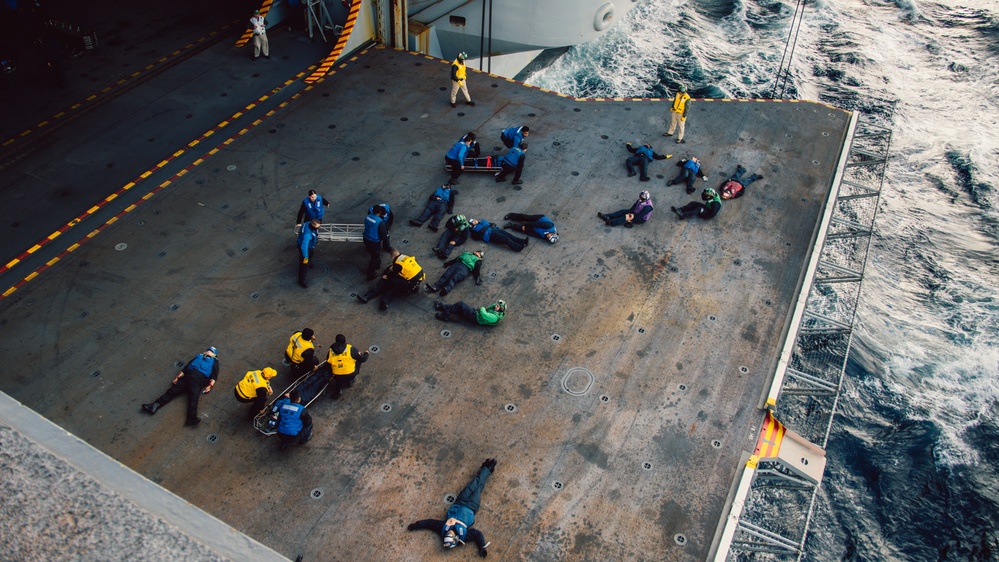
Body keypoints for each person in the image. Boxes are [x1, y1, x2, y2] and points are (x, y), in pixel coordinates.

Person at [407, 459, 497, 557]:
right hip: (471, 506)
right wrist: (482, 547)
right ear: (455, 538)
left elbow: (430, 523)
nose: (449, 532)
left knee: (472, 485)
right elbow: (477, 534)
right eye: (451, 535)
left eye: (448, 534)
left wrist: (416, 525)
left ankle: (486, 468)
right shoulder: (465, 536)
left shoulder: (443, 528)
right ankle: (487, 468)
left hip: (460, 501)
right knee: (479, 487)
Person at [142, 347, 220, 427]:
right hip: (187, 377)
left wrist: (210, 386)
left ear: (214, 355)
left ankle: (191, 418)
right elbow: (186, 367)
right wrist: (178, 376)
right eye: (208, 350)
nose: (208, 352)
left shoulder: (215, 362)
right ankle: (155, 405)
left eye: (211, 352)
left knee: (194, 398)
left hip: (198, 380)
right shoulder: (199, 356)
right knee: (171, 391)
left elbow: (214, 376)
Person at [357, 249, 425, 310]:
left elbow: (392, 274)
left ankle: (368, 296)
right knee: (393, 284)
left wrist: (386, 276)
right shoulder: (406, 257)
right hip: (418, 279)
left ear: (392, 257)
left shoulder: (398, 265)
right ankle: (384, 303)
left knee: (390, 282)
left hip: (409, 283)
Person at [324, 334, 370, 400]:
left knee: (337, 375)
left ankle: (339, 389)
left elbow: (328, 362)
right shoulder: (351, 349)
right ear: (345, 340)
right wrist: (366, 353)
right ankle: (351, 380)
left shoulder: (331, 351)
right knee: (357, 360)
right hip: (350, 374)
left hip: (336, 375)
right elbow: (363, 359)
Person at [433, 299, 506, 326]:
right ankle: (441, 306)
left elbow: (484, 313)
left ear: (500, 310)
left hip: (475, 317)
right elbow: (490, 307)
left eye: (497, 306)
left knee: (460, 304)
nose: (495, 306)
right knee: (457, 308)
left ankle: (444, 315)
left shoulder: (494, 317)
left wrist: (482, 308)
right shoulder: (496, 311)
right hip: (477, 314)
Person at [363, 206, 389, 280]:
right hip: (374, 241)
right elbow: (384, 235)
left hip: (366, 238)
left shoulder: (368, 217)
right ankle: (370, 273)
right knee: (374, 257)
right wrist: (387, 244)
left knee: (373, 253)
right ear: (380, 212)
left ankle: (377, 264)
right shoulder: (379, 222)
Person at [297, 219, 320, 288]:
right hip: (307, 249)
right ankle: (302, 280)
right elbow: (304, 246)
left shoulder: (307, 223)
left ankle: (308, 262)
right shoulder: (308, 235)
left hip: (306, 245)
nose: (318, 228)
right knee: (304, 265)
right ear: (313, 227)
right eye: (317, 227)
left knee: (311, 255)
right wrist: (305, 257)